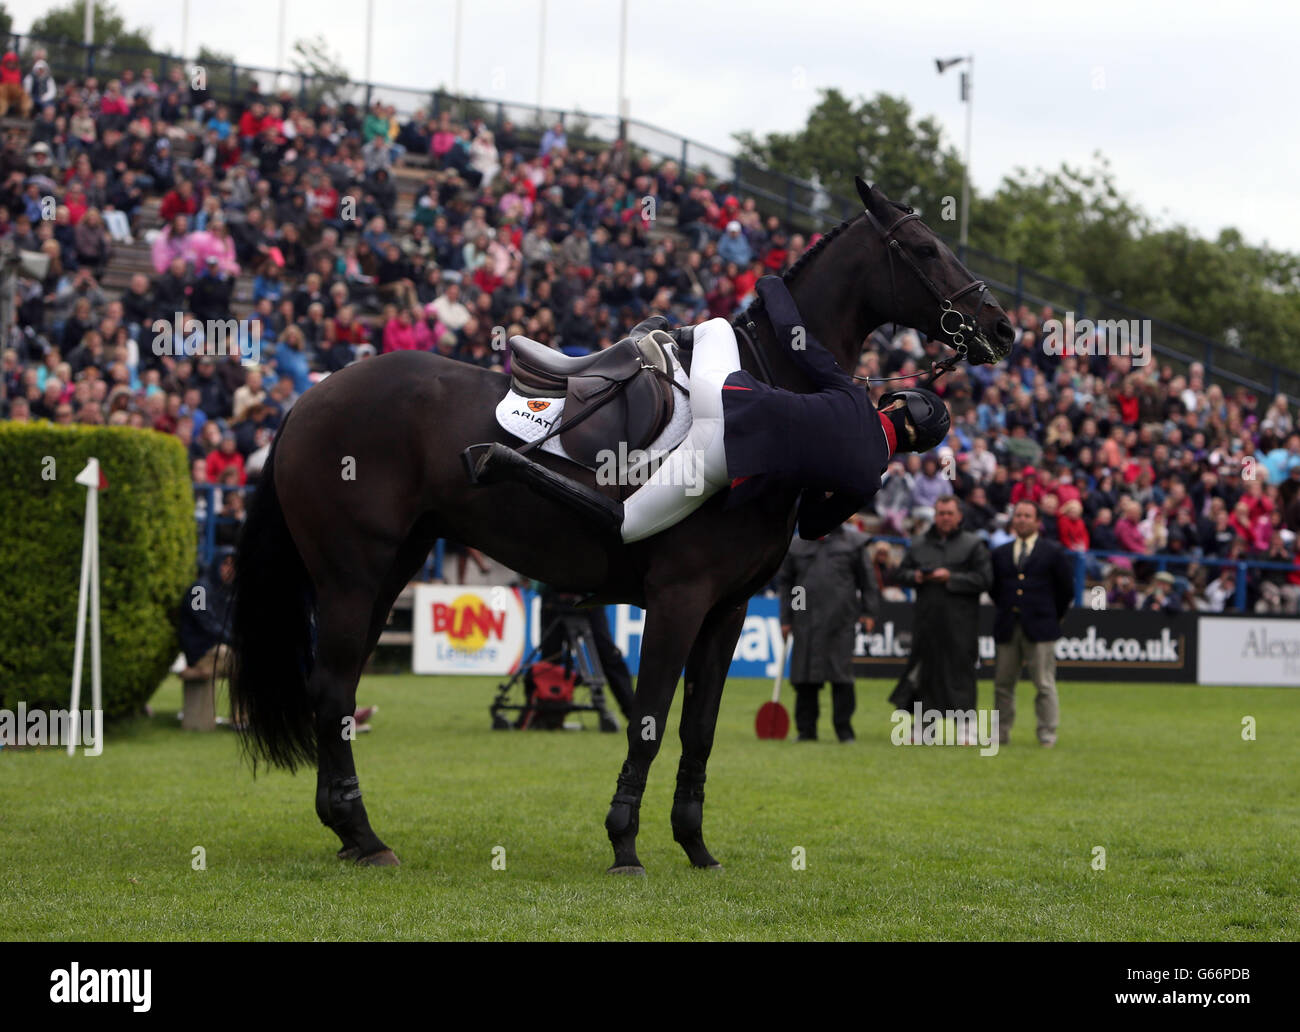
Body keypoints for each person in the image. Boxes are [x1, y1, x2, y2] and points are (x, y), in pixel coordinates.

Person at [483, 276, 950, 543]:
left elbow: (796, 340)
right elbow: (808, 527)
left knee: (719, 330)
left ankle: (649, 340)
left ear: (898, 402)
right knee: (623, 526)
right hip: (718, 460)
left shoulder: (853, 396)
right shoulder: (866, 481)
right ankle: (515, 468)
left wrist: (773, 288)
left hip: (724, 396)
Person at [888, 495, 992, 745]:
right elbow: (900, 573)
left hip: (961, 624)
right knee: (926, 674)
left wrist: (951, 577)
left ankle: (966, 728)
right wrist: (917, 577)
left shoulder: (973, 544)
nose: (945, 518)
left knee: (961, 674)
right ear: (934, 515)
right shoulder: (919, 543)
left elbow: (984, 580)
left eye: (949, 513)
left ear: (959, 516)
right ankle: (925, 728)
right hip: (927, 622)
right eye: (940, 513)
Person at [776, 517, 879, 742]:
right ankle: (806, 730)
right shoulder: (797, 544)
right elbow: (787, 584)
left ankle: (844, 730)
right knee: (804, 677)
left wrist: (869, 612)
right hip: (804, 620)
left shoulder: (853, 542)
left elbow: (868, 582)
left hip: (841, 620)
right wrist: (787, 618)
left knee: (841, 676)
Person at [990, 500, 1074, 747]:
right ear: (1013, 520)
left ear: (1038, 522)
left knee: (1044, 684)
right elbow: (995, 589)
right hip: (1007, 625)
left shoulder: (1053, 552)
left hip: (1041, 628)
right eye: (1019, 516)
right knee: (1003, 684)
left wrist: (1050, 615)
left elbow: (1066, 591)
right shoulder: (1000, 554)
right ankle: (1001, 733)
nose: (1022, 520)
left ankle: (1047, 733)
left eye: (1028, 516)